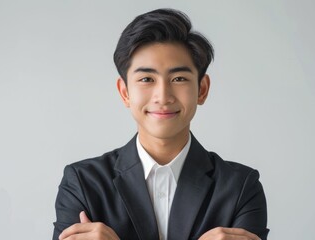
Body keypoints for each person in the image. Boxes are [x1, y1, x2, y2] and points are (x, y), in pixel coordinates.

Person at [53, 8, 269, 240]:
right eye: (147, 79)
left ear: (202, 89)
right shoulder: (83, 182)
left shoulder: (240, 187)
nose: (163, 96)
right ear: (125, 92)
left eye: (179, 79)